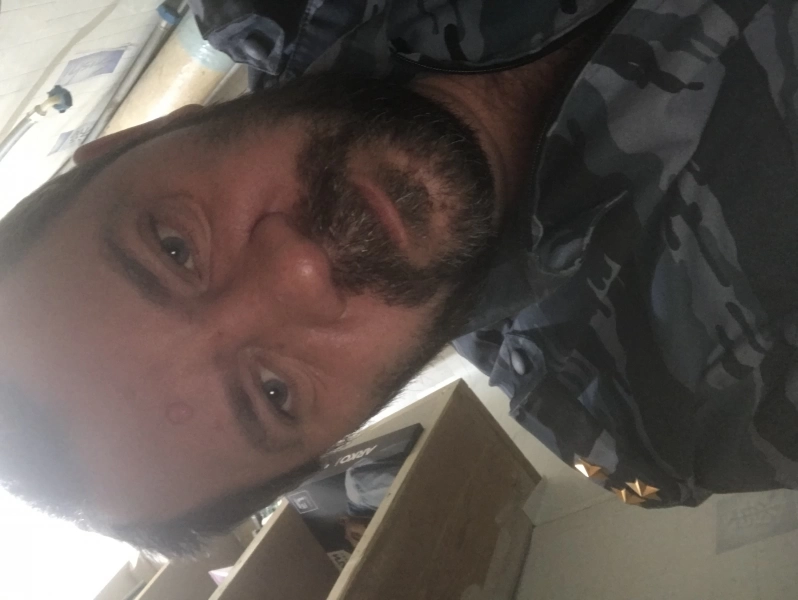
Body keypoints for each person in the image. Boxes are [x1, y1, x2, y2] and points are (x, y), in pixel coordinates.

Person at [1, 0, 796, 555]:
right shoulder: (696, 404)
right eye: (273, 392)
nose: (299, 271)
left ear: (130, 143)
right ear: (341, 437)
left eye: (175, 249)